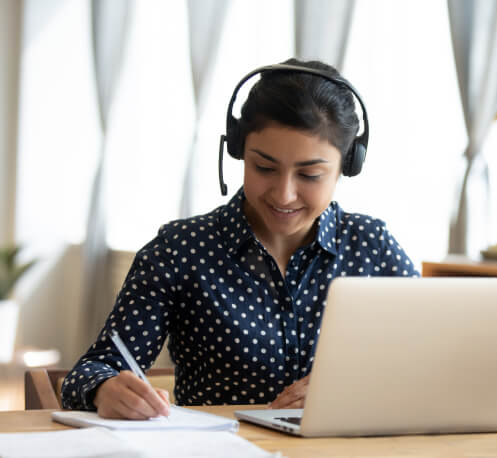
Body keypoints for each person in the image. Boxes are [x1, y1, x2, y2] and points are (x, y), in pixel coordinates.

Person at [61, 58, 420, 419]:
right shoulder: (180, 249)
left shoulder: (372, 246)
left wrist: (353, 389)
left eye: (310, 175)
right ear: (237, 152)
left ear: (347, 166)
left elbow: (433, 358)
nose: (283, 195)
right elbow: (91, 370)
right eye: (264, 168)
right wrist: (105, 389)